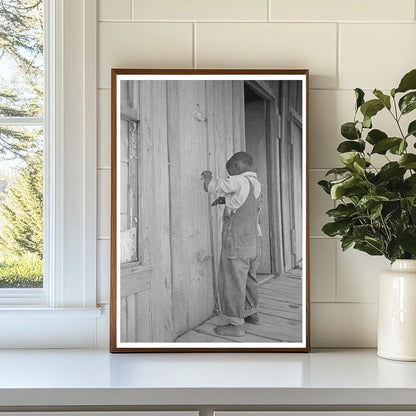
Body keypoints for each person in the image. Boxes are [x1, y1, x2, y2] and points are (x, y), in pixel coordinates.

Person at [201, 151, 262, 337]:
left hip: (237, 241)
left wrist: (208, 176)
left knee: (232, 280)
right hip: (255, 241)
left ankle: (236, 325)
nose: (229, 176)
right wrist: (225, 200)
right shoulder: (256, 184)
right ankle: (253, 313)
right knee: (250, 278)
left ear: (236, 166)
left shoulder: (238, 180)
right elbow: (244, 203)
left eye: (229, 171)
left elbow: (210, 187)